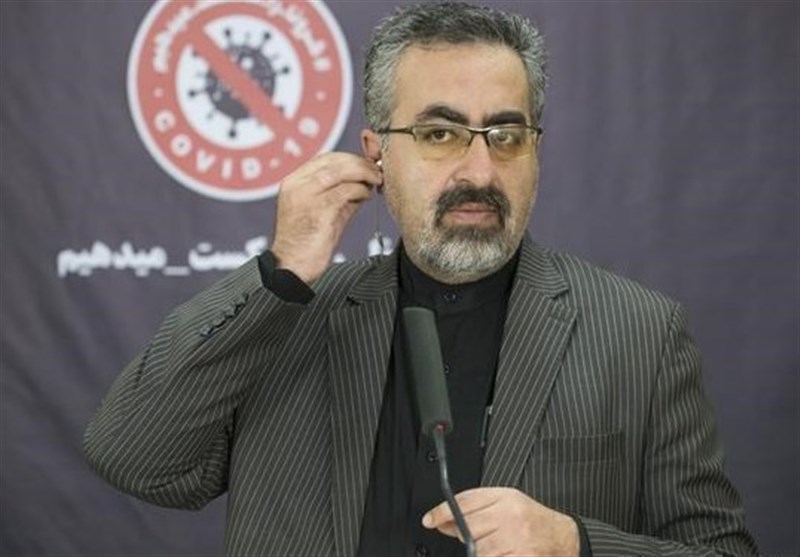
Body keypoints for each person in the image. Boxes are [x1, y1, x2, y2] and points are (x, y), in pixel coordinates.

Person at [84, 3, 758, 556]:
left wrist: (574, 543)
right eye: (440, 134)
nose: (480, 171)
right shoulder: (288, 320)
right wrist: (280, 275)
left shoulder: (640, 332)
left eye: (506, 135)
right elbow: (134, 458)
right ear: (376, 154)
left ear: (536, 149)